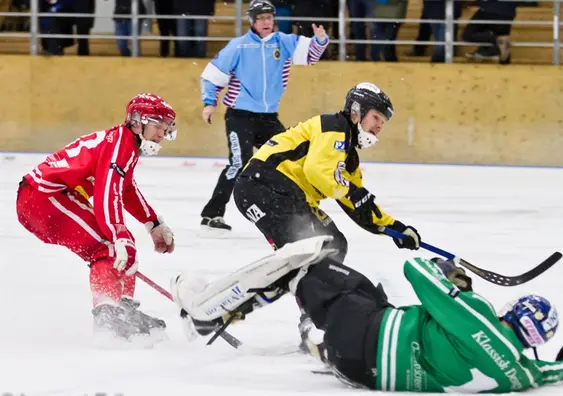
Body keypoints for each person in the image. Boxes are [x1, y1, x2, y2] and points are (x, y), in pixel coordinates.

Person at [173, 235, 563, 393]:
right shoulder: (521, 374)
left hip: (363, 334)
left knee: (311, 261)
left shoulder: (477, 314)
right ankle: (315, 339)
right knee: (368, 292)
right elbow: (552, 372)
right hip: (364, 372)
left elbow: (415, 270)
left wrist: (450, 275)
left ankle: (209, 313)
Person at [15, 93, 178, 341]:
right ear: (137, 121)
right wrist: (117, 230)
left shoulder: (126, 144)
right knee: (110, 248)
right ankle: (107, 317)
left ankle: (123, 309)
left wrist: (153, 223)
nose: (161, 135)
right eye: (157, 127)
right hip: (43, 198)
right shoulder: (120, 144)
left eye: (165, 129)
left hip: (50, 198)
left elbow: (126, 188)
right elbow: (107, 192)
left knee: (122, 246)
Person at [233, 82, 422, 263]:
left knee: (333, 245)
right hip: (264, 188)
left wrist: (395, 228)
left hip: (279, 193)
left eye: (383, 122)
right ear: (356, 111)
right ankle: (259, 291)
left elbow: (358, 205)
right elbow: (317, 171)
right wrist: (352, 192)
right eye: (376, 117)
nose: (380, 126)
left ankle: (294, 289)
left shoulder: (349, 157)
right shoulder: (334, 126)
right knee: (312, 250)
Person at [199, 0, 330, 235]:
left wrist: (320, 40)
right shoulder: (238, 46)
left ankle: (298, 212)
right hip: (240, 116)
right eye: (261, 18)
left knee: (292, 158)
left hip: (268, 117)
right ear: (252, 21)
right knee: (239, 163)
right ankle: (212, 213)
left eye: (270, 17)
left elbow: (310, 55)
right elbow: (212, 75)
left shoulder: (284, 42)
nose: (267, 22)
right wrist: (209, 103)